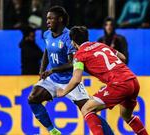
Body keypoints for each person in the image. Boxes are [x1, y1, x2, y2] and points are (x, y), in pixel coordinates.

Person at [28, 6, 113, 135]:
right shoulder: (47, 34)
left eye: (51, 18)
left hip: (70, 81)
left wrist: (52, 70)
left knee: (89, 111)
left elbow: (74, 63)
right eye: (47, 18)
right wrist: (42, 70)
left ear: (60, 19)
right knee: (33, 98)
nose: (47, 21)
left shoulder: (69, 37)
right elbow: (47, 50)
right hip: (53, 79)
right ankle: (53, 131)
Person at [57, 26, 148, 135]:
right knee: (126, 116)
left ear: (73, 42)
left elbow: (76, 79)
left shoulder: (79, 55)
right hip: (133, 81)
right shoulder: (101, 45)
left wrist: (63, 92)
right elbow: (123, 58)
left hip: (119, 84)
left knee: (87, 109)